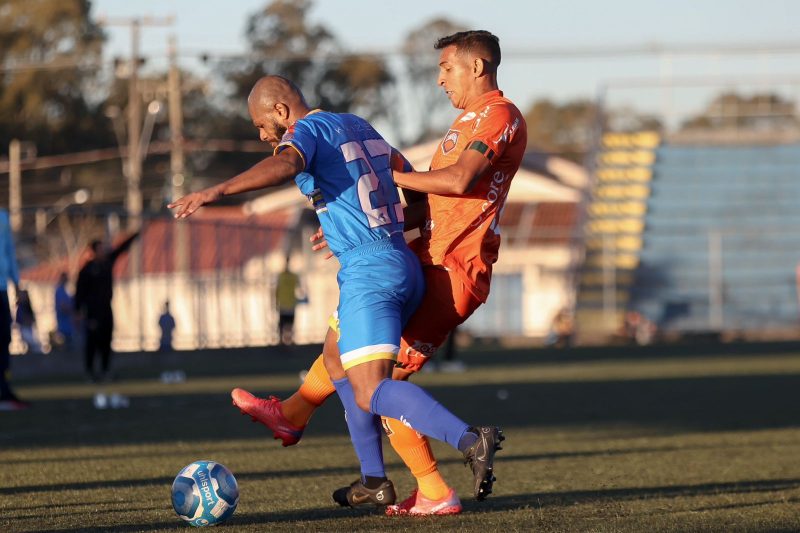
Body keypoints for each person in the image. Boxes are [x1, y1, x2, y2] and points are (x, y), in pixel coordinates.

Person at [169, 75, 503, 510]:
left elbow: (287, 164)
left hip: (371, 273)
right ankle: (372, 479)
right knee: (334, 357)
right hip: (399, 260)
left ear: (281, 112)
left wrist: (218, 190)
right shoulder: (361, 126)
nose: (262, 135)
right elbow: (416, 194)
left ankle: (470, 439)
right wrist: (367, 223)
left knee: (371, 389)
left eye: (261, 125)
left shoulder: (303, 132)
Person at [74, 231, 139, 382]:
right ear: (93, 251)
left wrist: (137, 232)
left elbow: (121, 248)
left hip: (106, 309)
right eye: (100, 249)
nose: (104, 251)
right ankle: (90, 372)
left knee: (106, 341)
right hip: (92, 311)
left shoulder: (107, 262)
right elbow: (79, 293)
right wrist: (78, 312)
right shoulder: (86, 270)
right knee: (92, 342)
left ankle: (105, 370)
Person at [0, 208, 27, 410]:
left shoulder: (2, 217)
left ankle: (4, 390)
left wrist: (15, 282)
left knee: (4, 338)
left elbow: (8, 250)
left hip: (1, 288)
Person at [275, 258, 302, 345]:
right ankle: (284, 339)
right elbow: (300, 288)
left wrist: (276, 301)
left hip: (287, 303)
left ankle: (285, 340)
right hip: (287, 303)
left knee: (286, 323)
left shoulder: (283, 276)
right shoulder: (290, 276)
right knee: (286, 323)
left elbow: (277, 289)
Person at [15, 288, 42, 354]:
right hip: (24, 327)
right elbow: (18, 319)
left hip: (28, 328)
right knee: (29, 341)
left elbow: (31, 318)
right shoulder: (20, 306)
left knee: (32, 343)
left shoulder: (27, 306)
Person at [54, 272, 75, 349]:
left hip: (69, 325)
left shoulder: (65, 290)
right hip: (64, 325)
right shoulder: (60, 290)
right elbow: (63, 306)